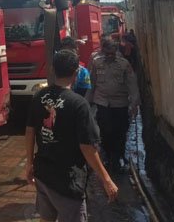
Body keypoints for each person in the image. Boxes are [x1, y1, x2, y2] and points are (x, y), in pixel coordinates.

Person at [26, 50, 118, 222]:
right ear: (76, 73)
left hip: (43, 174)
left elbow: (30, 131)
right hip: (67, 181)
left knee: (46, 218)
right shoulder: (79, 104)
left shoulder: (39, 97)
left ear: (53, 69)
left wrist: (30, 163)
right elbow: (87, 147)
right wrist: (106, 179)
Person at [86, 38, 140, 171]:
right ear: (103, 51)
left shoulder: (124, 64)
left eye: (113, 52)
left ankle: (119, 155)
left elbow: (132, 84)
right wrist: (86, 102)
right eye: (107, 52)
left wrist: (134, 103)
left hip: (120, 103)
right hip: (102, 102)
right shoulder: (96, 63)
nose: (110, 55)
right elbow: (91, 83)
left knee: (121, 130)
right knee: (105, 129)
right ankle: (108, 154)